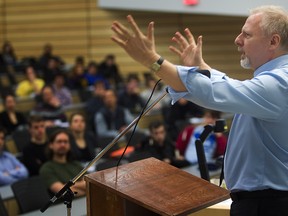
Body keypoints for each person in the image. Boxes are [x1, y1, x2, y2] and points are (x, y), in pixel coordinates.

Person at [111, 5, 288, 215]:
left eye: (247, 35)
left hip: (268, 205)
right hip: (262, 202)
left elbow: (217, 92)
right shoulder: (273, 80)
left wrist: (153, 61)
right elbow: (230, 86)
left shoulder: (280, 83)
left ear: (273, 41)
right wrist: (203, 69)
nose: (237, 39)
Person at [40, 129, 86, 197]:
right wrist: (84, 189)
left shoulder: (76, 164)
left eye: (65, 142)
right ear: (51, 145)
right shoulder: (47, 168)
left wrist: (67, 185)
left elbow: (89, 185)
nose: (62, 144)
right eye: (59, 141)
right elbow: (63, 192)